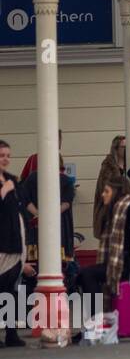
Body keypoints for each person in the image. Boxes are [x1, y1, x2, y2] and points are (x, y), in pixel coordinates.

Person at [77, 175, 130, 298]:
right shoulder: (116, 210)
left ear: (116, 192)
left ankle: (95, 315)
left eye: (107, 191)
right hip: (123, 262)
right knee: (84, 275)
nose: (103, 195)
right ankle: (96, 313)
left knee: (88, 275)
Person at [0, 141, 31, 347]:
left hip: (15, 240)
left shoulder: (12, 179)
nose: (6, 159)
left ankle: (11, 334)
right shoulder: (7, 183)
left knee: (10, 288)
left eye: (8, 155)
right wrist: (4, 191)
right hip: (1, 241)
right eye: (2, 155)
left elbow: (22, 205)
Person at [19, 156, 76, 263]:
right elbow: (66, 203)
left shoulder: (32, 178)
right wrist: (50, 216)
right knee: (58, 263)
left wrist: (38, 214)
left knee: (34, 263)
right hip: (59, 227)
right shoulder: (66, 181)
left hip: (35, 227)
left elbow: (24, 198)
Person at [93, 135, 128, 237]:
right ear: (116, 149)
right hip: (111, 207)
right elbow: (104, 187)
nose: (126, 150)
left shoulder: (129, 162)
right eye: (123, 147)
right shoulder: (108, 166)